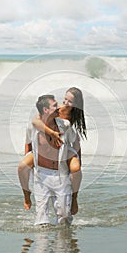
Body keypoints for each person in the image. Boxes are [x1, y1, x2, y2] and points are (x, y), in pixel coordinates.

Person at [18, 87, 87, 215]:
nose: (65, 103)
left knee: (76, 168)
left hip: (64, 147)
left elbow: (75, 141)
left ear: (77, 104)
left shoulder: (73, 117)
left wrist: (79, 159)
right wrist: (51, 133)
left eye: (70, 101)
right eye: (65, 99)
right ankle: (27, 195)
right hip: (44, 147)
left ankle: (74, 199)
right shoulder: (56, 110)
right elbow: (35, 122)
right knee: (22, 166)